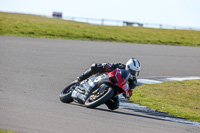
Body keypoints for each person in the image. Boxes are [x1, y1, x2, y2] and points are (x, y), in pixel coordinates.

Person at [77, 58, 141, 110]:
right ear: (128, 67)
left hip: (116, 89)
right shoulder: (120, 66)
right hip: (108, 78)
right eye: (133, 71)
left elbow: (130, 92)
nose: (134, 73)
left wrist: (128, 94)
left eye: (136, 72)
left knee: (114, 106)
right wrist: (107, 65)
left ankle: (101, 98)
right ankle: (80, 78)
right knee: (95, 66)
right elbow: (110, 65)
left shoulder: (134, 81)